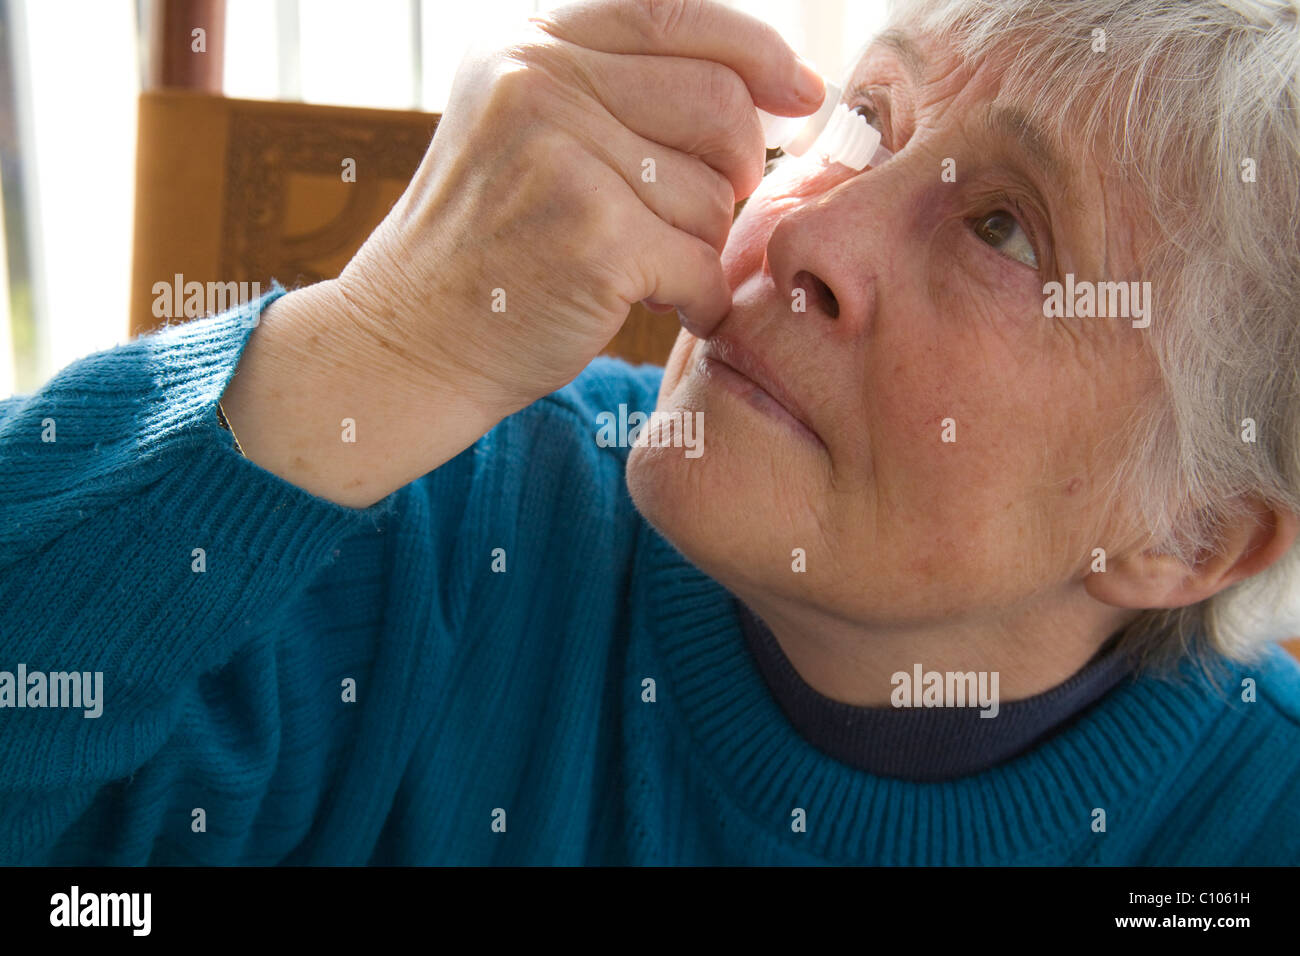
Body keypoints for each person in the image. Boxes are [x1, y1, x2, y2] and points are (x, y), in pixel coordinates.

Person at [3, 0, 1300, 865]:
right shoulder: (451, 517)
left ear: (1189, 534)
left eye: (1004, 228)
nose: (800, 232)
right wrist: (374, 348)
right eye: (867, 121)